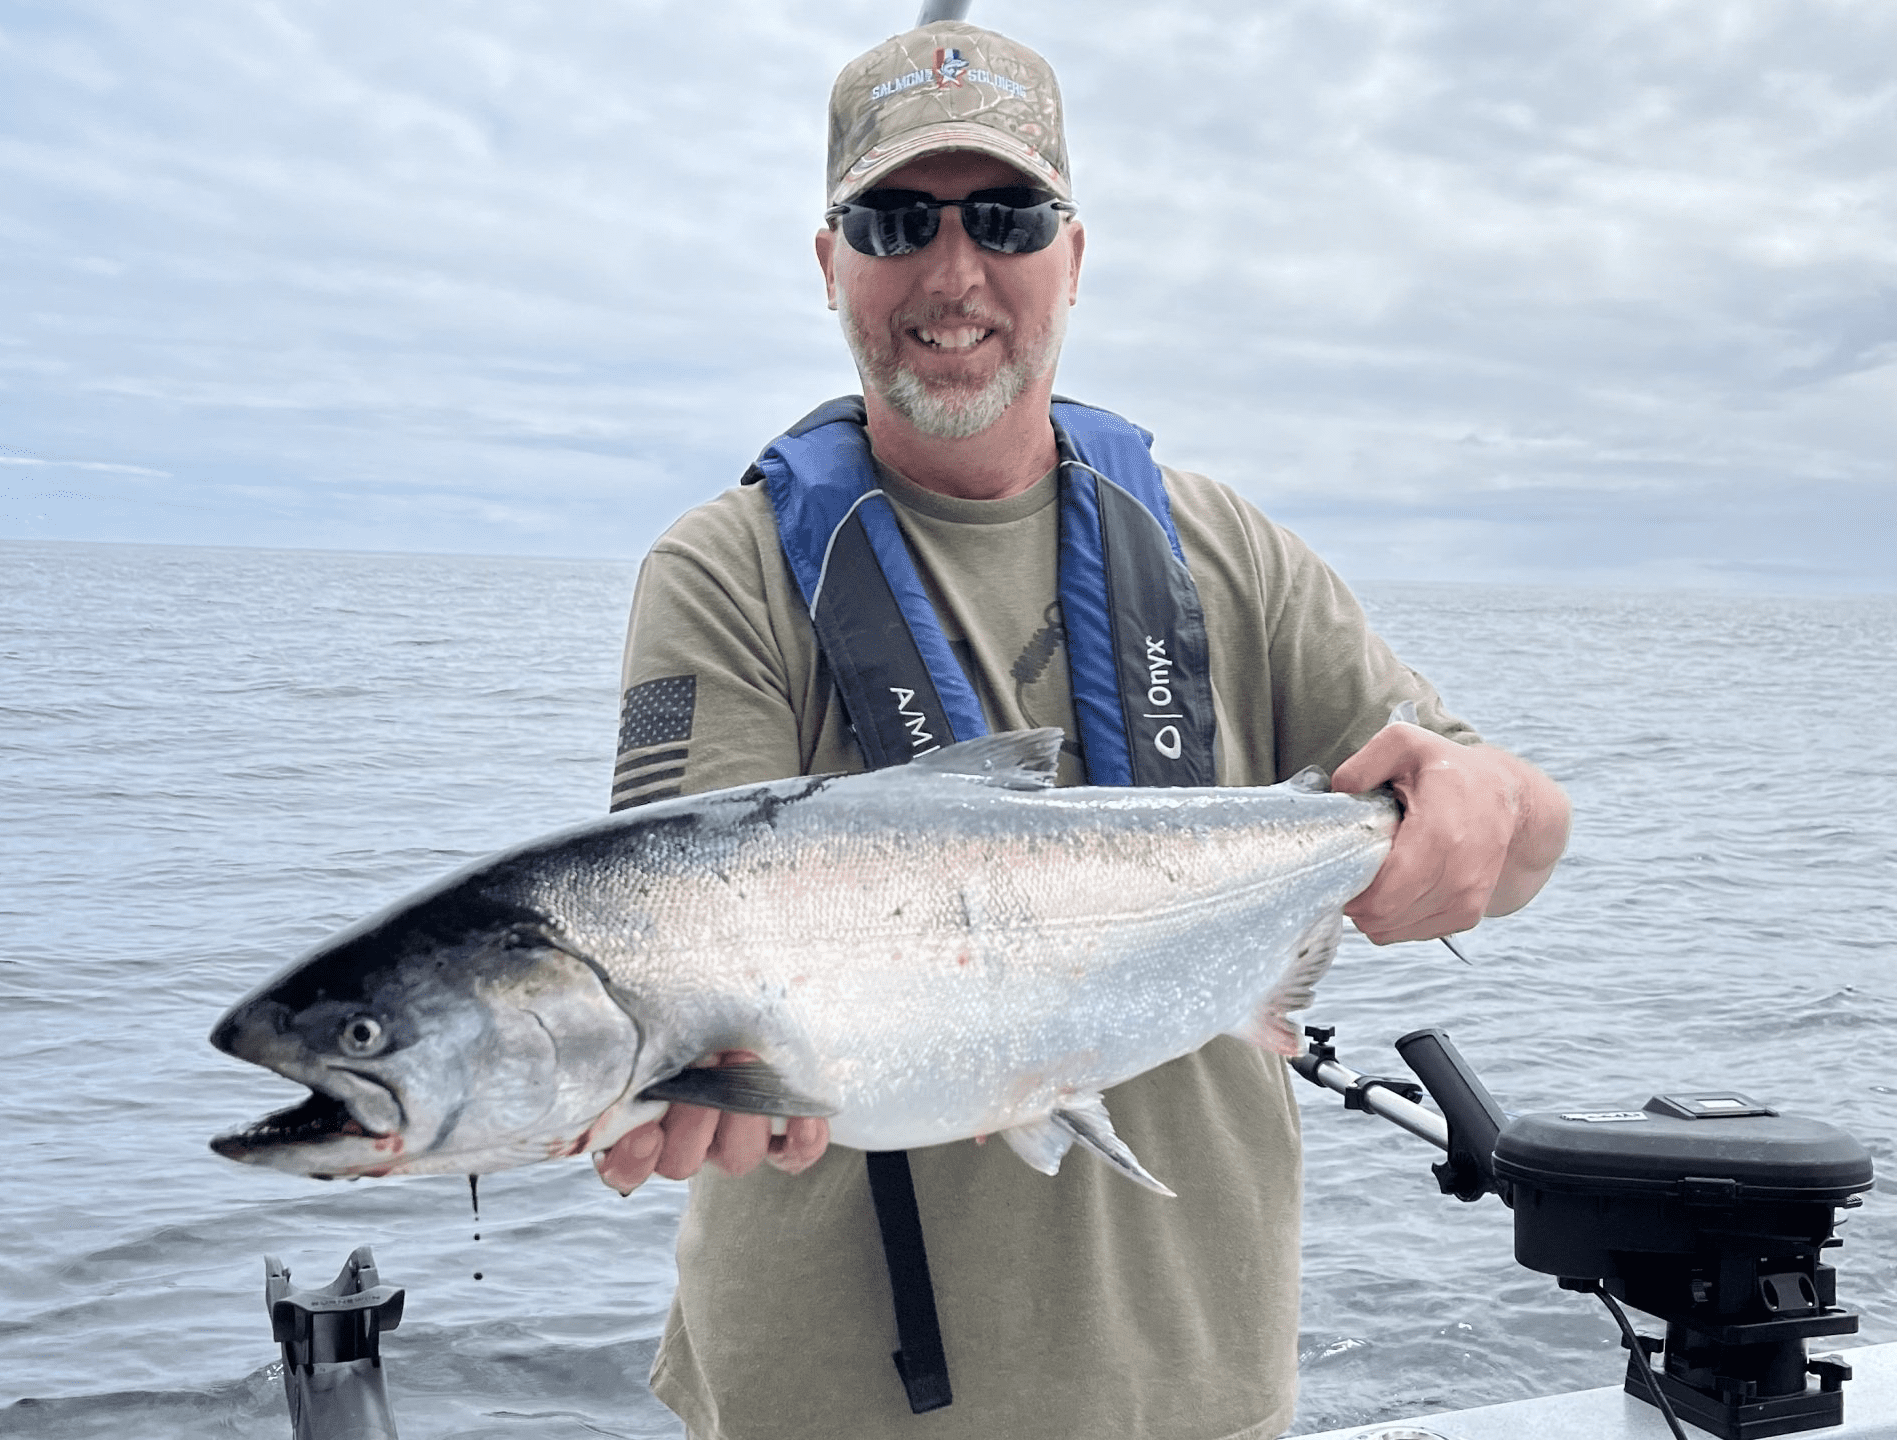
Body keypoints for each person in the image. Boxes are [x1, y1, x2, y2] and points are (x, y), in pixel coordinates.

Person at [594, 20, 1570, 1440]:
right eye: (892, 220)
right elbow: (676, 944)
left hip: (1199, 1385)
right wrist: (697, 1077)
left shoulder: (1226, 550)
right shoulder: (727, 573)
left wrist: (1483, 809)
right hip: (827, 1404)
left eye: (1005, 216)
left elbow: (1525, 834)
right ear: (828, 265)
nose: (951, 273)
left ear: (1073, 254)